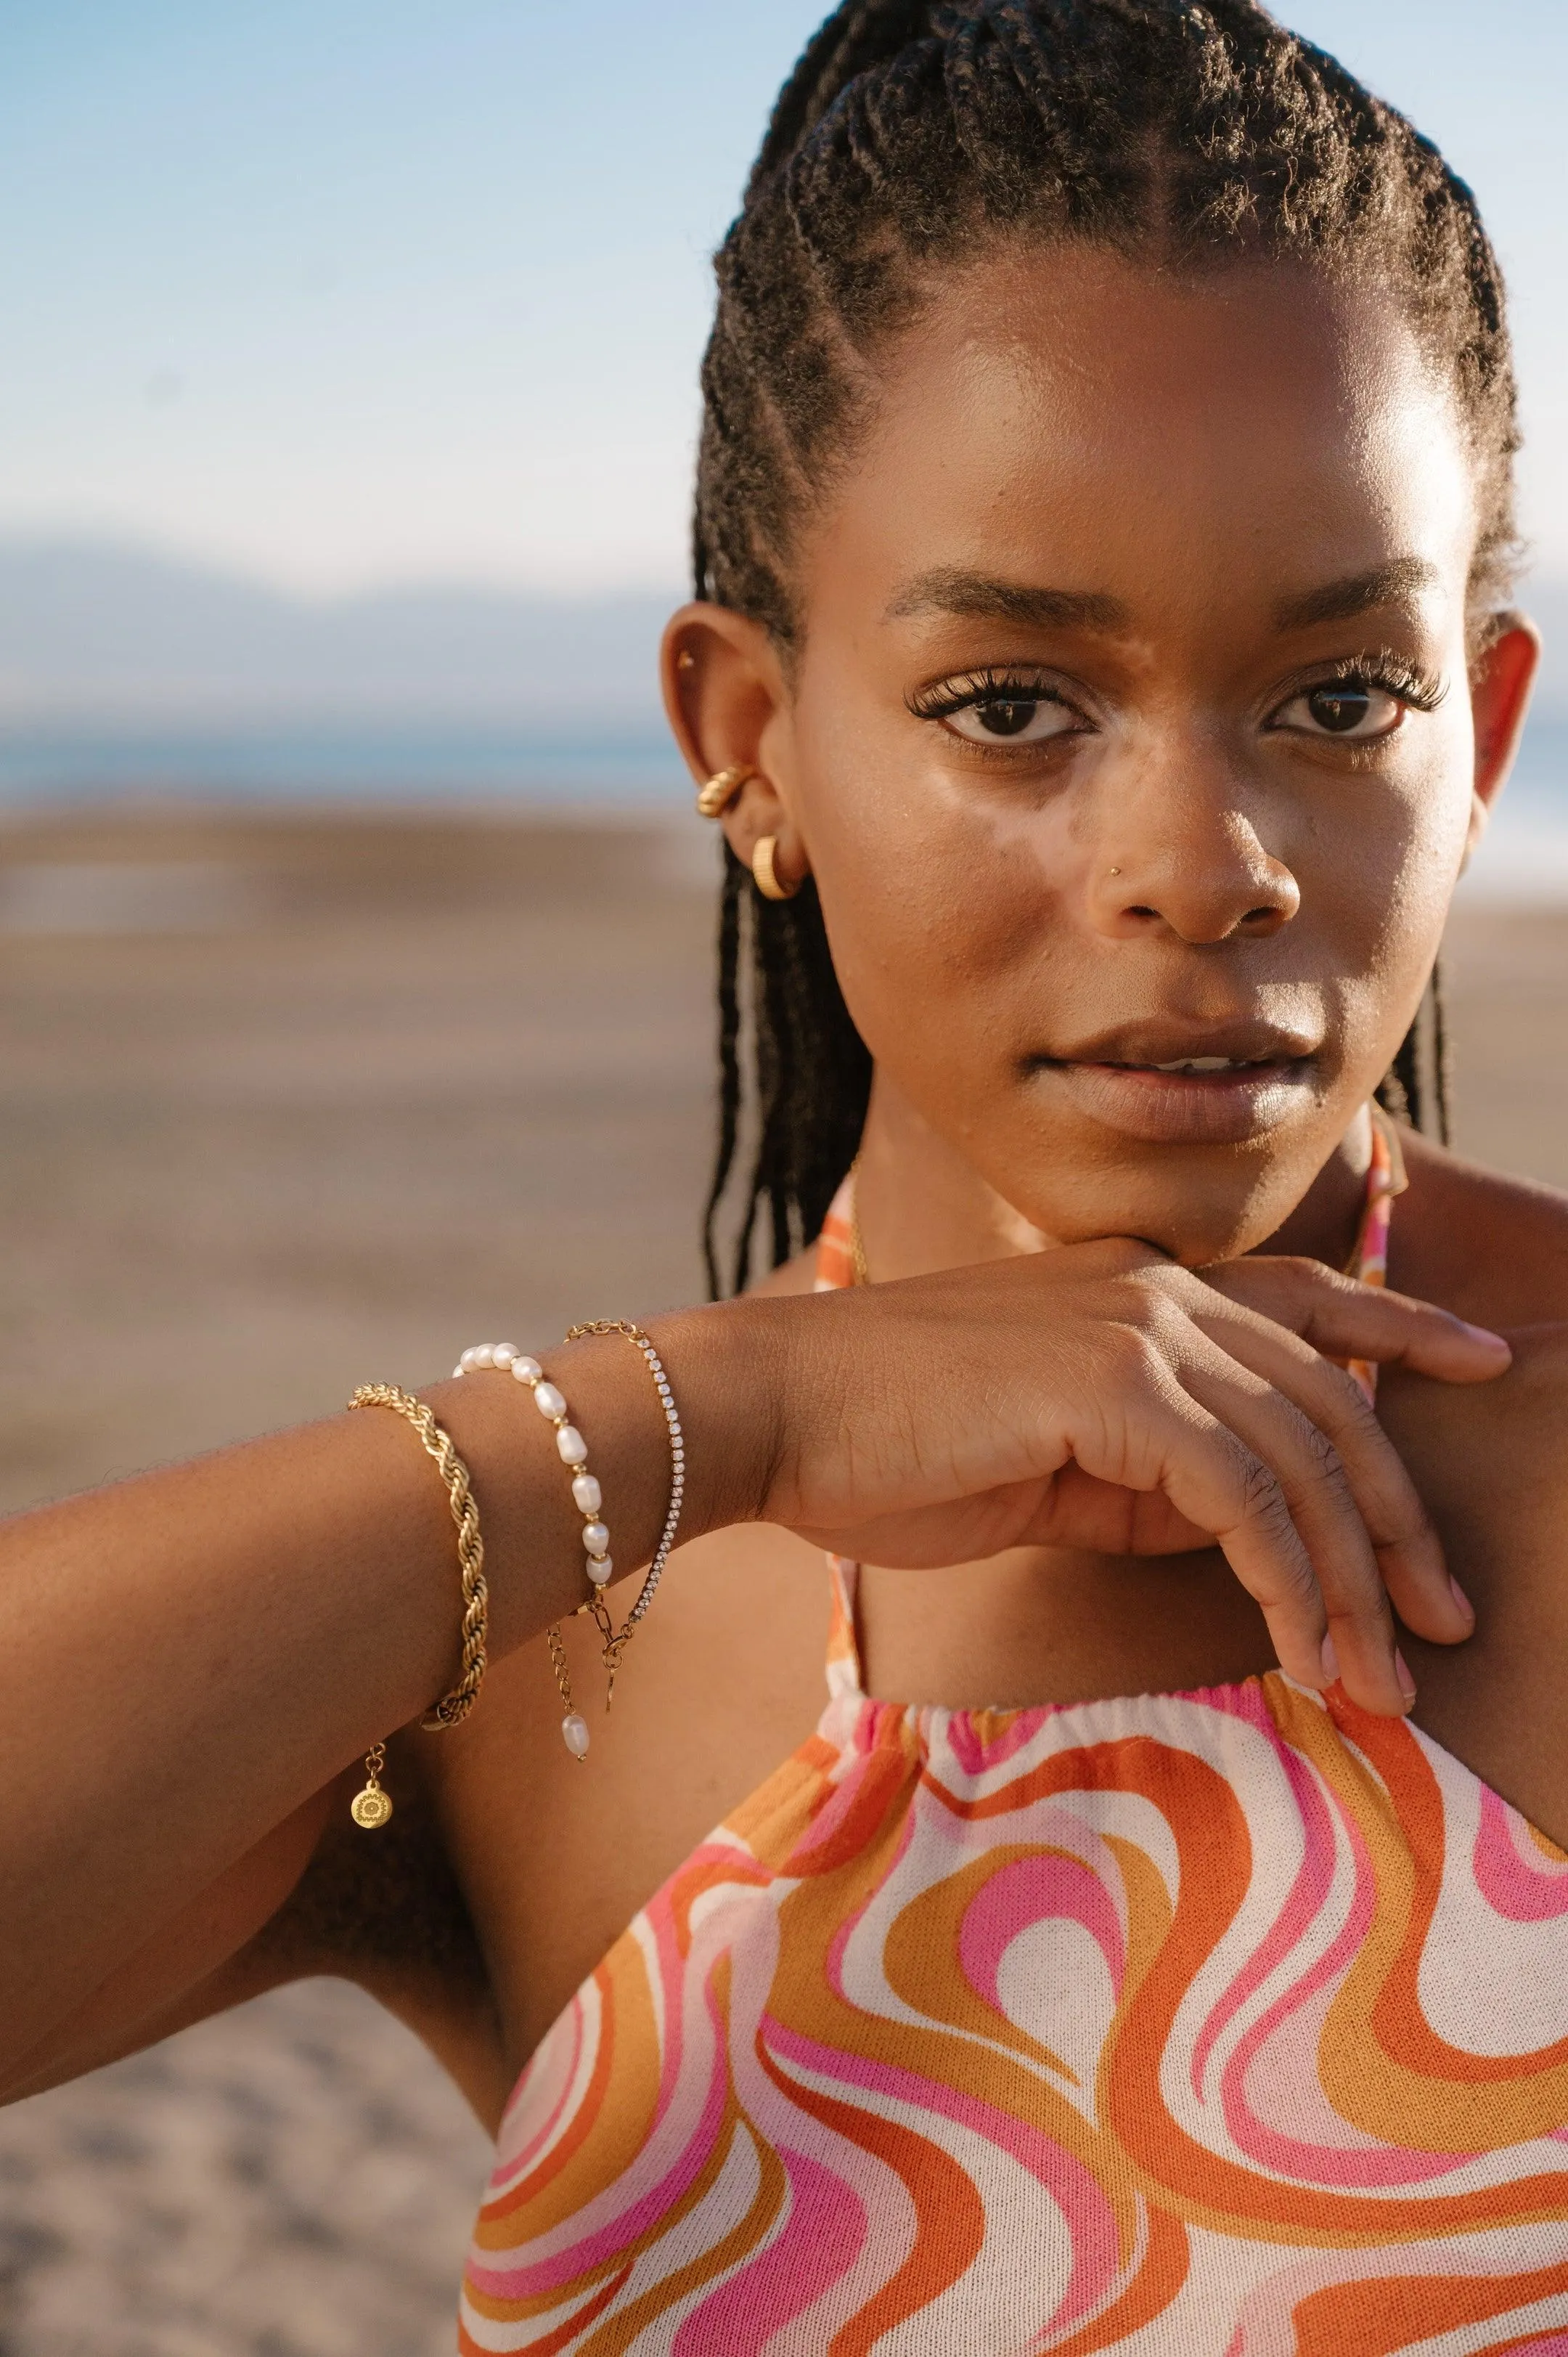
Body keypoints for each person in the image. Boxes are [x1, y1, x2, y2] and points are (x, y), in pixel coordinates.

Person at [4, 0, 1565, 2345]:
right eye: (1012, 702)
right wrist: (737, 1416)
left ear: (1485, 734)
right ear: (752, 745)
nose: (1204, 862)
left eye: (1341, 695)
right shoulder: (541, 1632)